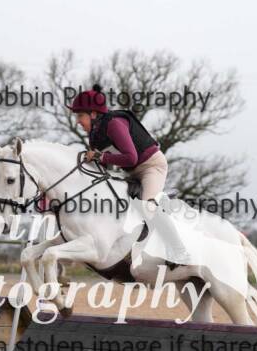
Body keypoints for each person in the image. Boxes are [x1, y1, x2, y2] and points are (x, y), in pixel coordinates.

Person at [68, 84, 191, 264]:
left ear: (93, 114)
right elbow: (104, 164)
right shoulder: (94, 133)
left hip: (151, 167)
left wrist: (99, 156)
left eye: (80, 116)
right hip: (132, 171)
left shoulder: (114, 124)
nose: (78, 121)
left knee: (148, 207)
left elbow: (131, 158)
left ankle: (180, 251)